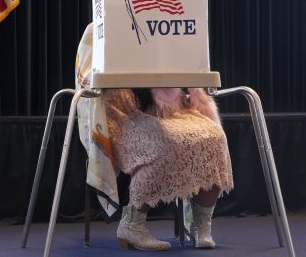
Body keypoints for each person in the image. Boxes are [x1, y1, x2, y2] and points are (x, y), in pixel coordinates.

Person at [76, 24, 233, 251]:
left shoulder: (167, 24)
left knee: (214, 136)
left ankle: (200, 224)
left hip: (170, 111)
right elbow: (88, 76)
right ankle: (132, 224)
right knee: (162, 143)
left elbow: (188, 62)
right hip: (120, 112)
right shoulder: (100, 26)